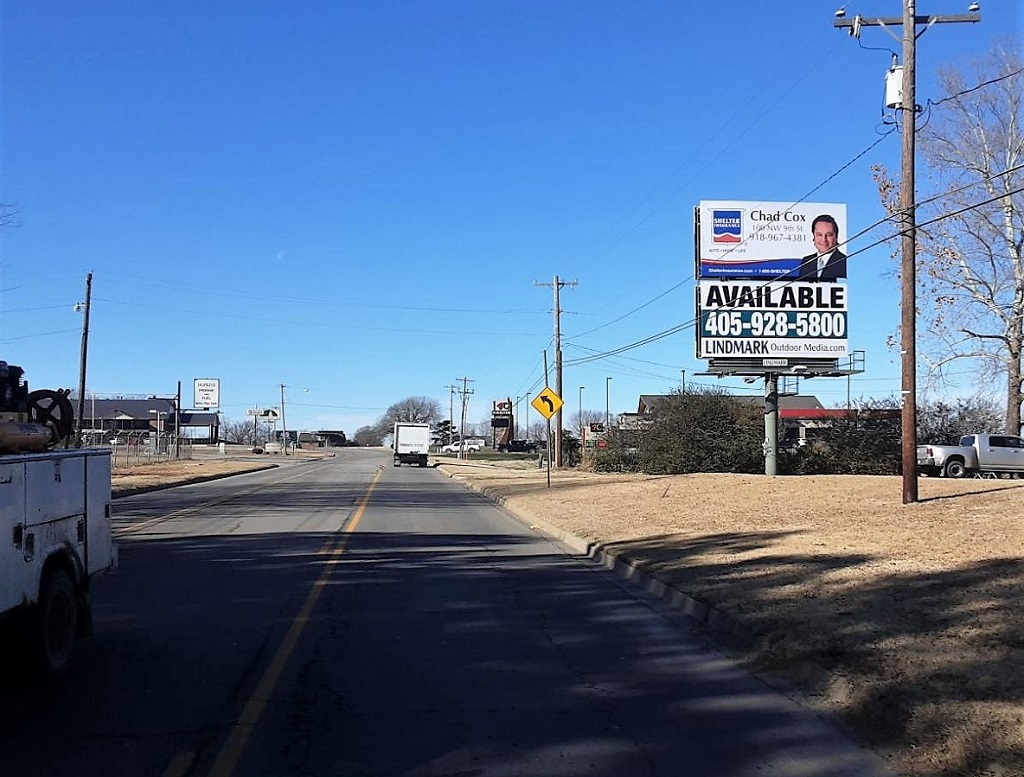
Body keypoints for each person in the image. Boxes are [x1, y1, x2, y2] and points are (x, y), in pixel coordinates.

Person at [796, 214, 846, 281]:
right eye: (819, 235)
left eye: (829, 235)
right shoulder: (806, 262)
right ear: (814, 236)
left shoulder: (844, 262)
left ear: (836, 236)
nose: (824, 239)